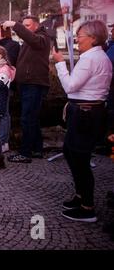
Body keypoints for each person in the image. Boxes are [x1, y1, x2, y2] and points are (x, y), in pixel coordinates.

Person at [52, 20, 112, 222]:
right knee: (72, 152)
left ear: (93, 38)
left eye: (81, 36)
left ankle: (87, 207)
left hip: (86, 113)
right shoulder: (97, 56)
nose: (77, 39)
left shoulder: (90, 59)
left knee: (80, 159)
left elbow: (70, 86)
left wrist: (60, 63)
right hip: (88, 111)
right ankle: (80, 196)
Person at [2, 16, 51, 163]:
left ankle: (25, 152)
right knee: (32, 119)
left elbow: (34, 40)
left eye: (28, 25)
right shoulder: (30, 40)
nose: (25, 28)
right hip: (27, 84)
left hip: (34, 84)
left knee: (27, 119)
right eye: (23, 26)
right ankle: (36, 149)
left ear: (36, 26)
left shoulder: (42, 38)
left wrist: (15, 25)